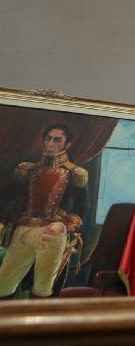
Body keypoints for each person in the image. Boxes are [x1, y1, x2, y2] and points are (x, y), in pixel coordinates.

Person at [0, 124, 86, 298]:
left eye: (57, 139)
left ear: (67, 144)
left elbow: (81, 207)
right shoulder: (26, 170)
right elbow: (10, 199)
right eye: (48, 138)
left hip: (52, 235)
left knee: (42, 288)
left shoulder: (75, 173)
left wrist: (65, 226)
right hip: (23, 230)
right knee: (3, 286)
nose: (51, 143)